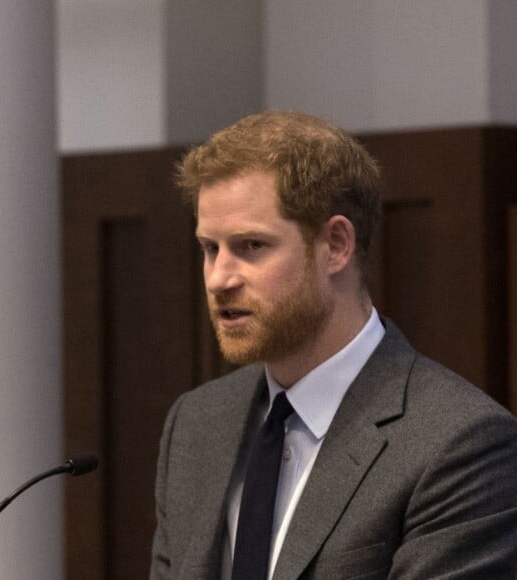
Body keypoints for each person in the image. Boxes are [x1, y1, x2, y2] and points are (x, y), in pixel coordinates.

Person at [150, 111, 517, 579]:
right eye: (210, 248)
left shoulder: (457, 442)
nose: (219, 278)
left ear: (336, 245)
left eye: (251, 246)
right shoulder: (196, 424)